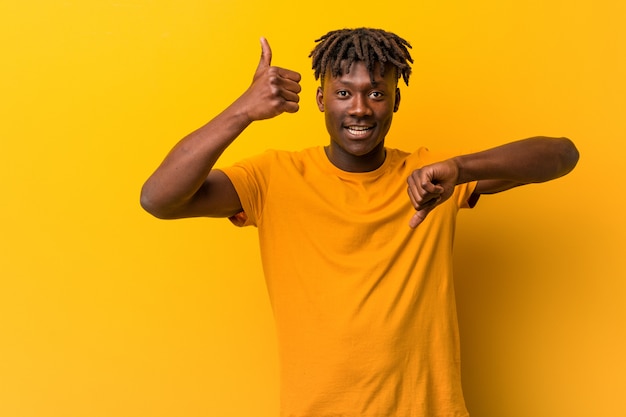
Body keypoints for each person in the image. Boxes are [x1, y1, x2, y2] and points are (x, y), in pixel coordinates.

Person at [141, 28, 579, 417]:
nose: (361, 109)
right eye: (344, 92)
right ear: (319, 99)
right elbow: (158, 198)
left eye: (376, 93)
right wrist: (243, 110)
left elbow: (562, 155)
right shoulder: (272, 178)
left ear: (395, 101)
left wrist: (461, 169)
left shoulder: (433, 175)